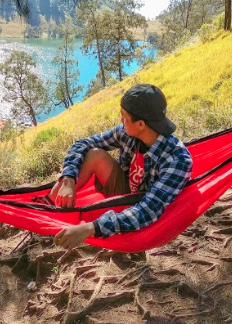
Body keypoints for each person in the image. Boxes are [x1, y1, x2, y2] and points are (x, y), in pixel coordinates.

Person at [51, 84, 193, 251]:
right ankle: (50, 209)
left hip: (142, 208)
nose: (121, 121)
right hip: (124, 191)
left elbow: (147, 211)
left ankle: (130, 246)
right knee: (95, 154)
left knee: (135, 227)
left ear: (140, 124)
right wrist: (68, 179)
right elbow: (83, 143)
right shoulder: (127, 132)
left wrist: (91, 228)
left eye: (124, 117)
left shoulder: (177, 160)